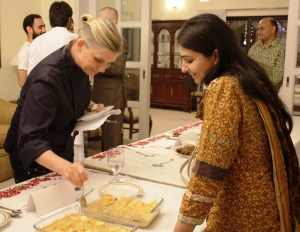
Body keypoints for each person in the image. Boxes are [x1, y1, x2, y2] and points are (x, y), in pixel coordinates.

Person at [173, 14, 300, 231]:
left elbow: (208, 171)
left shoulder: (224, 87)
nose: (184, 68)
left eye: (190, 60)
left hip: (244, 215)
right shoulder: (249, 77)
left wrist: (182, 228)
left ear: (215, 55)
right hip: (267, 206)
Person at [4, 15, 122, 187]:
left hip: (61, 147)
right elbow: (30, 140)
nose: (102, 69)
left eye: (108, 63)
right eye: (98, 60)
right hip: (32, 159)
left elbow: (68, 96)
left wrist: (90, 106)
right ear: (80, 45)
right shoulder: (47, 79)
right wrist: (66, 168)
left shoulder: (82, 66)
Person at [91, 7, 128, 151]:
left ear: (114, 21)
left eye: (104, 20)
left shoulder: (120, 41)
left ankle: (113, 169)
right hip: (97, 94)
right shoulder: (98, 40)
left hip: (113, 95)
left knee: (111, 140)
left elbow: (118, 69)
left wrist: (96, 64)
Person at [27, 1, 77, 74]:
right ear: (69, 20)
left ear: (50, 21)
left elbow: (31, 72)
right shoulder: (75, 39)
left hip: (41, 84)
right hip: (67, 84)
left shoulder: (36, 42)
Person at [248, 17, 285, 92]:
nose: (258, 32)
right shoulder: (255, 47)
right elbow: (246, 66)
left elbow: (276, 78)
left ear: (273, 29)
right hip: (249, 90)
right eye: (258, 29)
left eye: (262, 28)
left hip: (268, 95)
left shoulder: (281, 49)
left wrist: (257, 82)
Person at [16, 14, 46, 87]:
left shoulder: (40, 47)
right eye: (40, 27)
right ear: (29, 29)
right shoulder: (26, 50)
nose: (44, 30)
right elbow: (21, 81)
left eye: (44, 26)